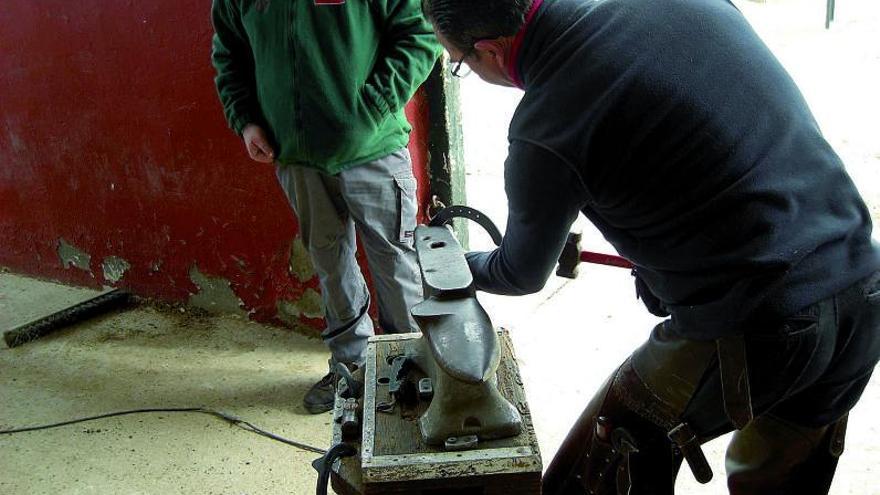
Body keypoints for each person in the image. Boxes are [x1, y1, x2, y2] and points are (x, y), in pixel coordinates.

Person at [420, 0, 880, 493]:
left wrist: (460, 264)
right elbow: (704, 135)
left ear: (489, 50)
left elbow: (520, 272)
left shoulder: (546, 126)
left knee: (608, 449)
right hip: (863, 289)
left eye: (460, 64)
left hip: (762, 319)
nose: (466, 69)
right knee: (777, 473)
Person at [211, 0, 441, 414]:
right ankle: (350, 366)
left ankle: (409, 369)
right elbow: (229, 52)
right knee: (329, 260)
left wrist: (370, 108)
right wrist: (245, 119)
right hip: (297, 157)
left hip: (374, 150)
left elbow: (421, 34)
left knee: (395, 260)